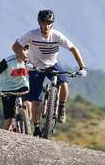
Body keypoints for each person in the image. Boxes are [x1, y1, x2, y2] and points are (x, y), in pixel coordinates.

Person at [12, 9, 87, 137]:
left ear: (52, 23)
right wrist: (26, 61)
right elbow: (15, 47)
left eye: (48, 23)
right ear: (39, 23)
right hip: (35, 66)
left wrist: (82, 67)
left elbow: (73, 49)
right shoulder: (32, 34)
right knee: (36, 100)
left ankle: (61, 108)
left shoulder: (57, 36)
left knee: (64, 85)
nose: (46, 26)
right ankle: (36, 126)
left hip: (52, 65)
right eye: (43, 23)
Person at [0, 48, 30, 131]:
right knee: (9, 119)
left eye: (25, 50)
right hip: (8, 89)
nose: (23, 52)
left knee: (28, 104)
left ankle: (27, 124)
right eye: (20, 50)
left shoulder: (30, 60)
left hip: (23, 86)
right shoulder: (7, 61)